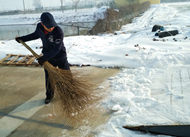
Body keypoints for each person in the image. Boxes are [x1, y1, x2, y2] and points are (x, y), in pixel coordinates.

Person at [15, 12, 70, 104]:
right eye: (48, 26)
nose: (51, 28)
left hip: (60, 57)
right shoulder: (39, 27)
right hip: (48, 57)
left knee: (67, 76)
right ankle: (49, 96)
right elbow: (35, 35)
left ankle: (70, 93)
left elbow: (57, 48)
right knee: (49, 78)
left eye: (52, 25)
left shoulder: (58, 31)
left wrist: (44, 58)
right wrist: (22, 39)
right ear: (42, 24)